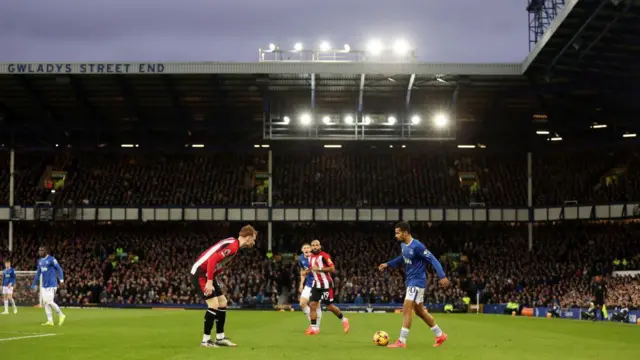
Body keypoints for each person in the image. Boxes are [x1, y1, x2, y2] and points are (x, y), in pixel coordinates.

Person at [378, 221, 449, 348]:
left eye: (398, 233)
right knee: (420, 311)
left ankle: (402, 341)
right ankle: (440, 334)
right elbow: (403, 258)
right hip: (410, 280)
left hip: (417, 281)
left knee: (407, 307)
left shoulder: (418, 246)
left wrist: (442, 275)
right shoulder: (404, 246)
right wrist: (388, 264)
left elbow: (432, 258)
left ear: (405, 233)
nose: (396, 235)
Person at [190, 224, 258, 348]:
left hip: (206, 273)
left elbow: (217, 262)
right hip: (200, 273)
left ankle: (220, 337)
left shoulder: (234, 244)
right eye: (253, 238)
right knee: (214, 304)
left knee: (222, 302)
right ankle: (205, 341)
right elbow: (212, 260)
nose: (254, 242)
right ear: (248, 237)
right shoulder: (233, 246)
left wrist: (213, 277)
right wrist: (209, 281)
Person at [305, 239, 349, 335]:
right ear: (311, 247)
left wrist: (319, 269)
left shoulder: (324, 256)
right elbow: (313, 268)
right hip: (316, 284)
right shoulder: (311, 257)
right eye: (313, 245)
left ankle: (344, 319)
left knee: (329, 306)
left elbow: (332, 268)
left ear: (320, 246)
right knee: (312, 304)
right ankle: (314, 328)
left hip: (326, 285)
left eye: (317, 245)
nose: (315, 247)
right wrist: (308, 271)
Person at [31, 246, 66, 326]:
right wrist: (33, 284)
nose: (39, 252)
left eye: (41, 250)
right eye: (39, 250)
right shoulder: (40, 261)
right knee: (46, 303)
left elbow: (59, 269)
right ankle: (50, 321)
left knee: (49, 301)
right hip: (44, 285)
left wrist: (61, 280)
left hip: (52, 284)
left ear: (46, 251)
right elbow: (38, 274)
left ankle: (61, 315)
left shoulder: (52, 259)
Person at [298, 243, 322, 330]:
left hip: (317, 283)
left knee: (316, 305)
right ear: (302, 250)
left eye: (308, 247)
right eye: (305, 248)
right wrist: (301, 284)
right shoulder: (300, 258)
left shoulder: (315, 258)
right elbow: (302, 271)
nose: (306, 249)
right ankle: (312, 324)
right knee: (302, 303)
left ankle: (316, 326)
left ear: (311, 249)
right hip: (308, 284)